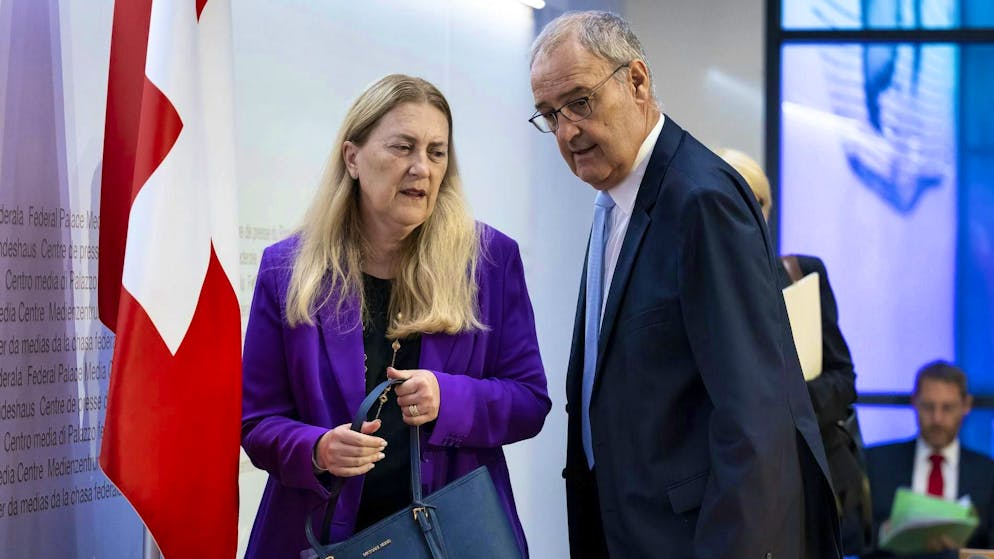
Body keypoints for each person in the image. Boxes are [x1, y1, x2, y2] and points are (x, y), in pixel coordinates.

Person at [528, 11, 841, 558]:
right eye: (550, 115)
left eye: (580, 102)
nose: (567, 131)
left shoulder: (702, 200)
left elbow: (754, 419)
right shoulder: (614, 204)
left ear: (637, 81)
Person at [240, 74, 551, 559]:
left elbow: (529, 401)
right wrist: (317, 450)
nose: (421, 168)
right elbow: (258, 422)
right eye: (403, 147)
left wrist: (448, 398)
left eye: (436, 152)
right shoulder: (287, 269)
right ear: (352, 158)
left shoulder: (490, 261)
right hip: (322, 537)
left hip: (451, 541)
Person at [719, 148, 873, 555]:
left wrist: (785, 404)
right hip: (739, 487)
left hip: (810, 477)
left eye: (754, 201)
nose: (743, 213)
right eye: (727, 201)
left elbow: (844, 380)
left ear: (765, 208)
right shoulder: (699, 288)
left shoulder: (800, 273)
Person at [863, 361, 994, 558]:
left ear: (966, 405)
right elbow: (848, 535)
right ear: (914, 402)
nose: (937, 419)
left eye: (947, 408)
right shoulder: (875, 463)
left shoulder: (987, 474)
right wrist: (885, 532)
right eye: (928, 406)